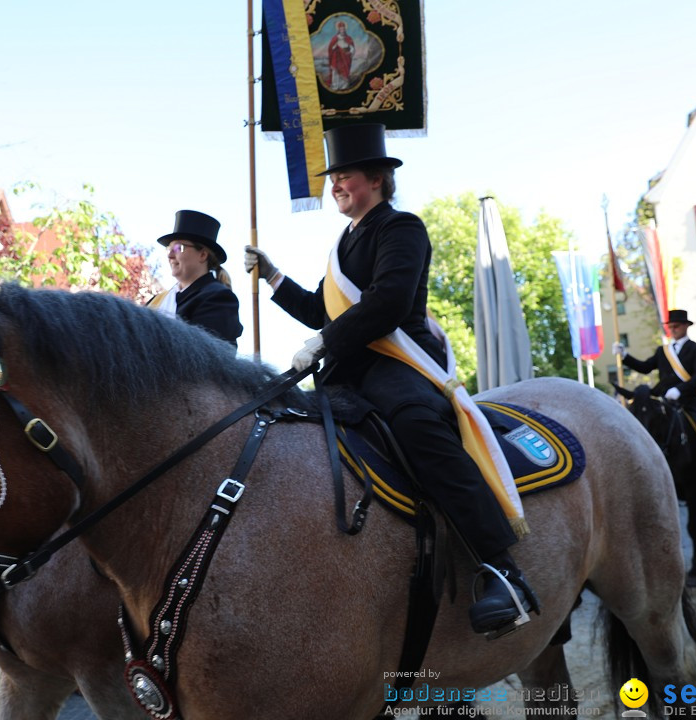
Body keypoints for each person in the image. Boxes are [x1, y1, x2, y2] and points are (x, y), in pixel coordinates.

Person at [244, 123, 536, 636]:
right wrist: (273, 276)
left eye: (344, 176)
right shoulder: (343, 244)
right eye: (332, 177)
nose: (334, 185)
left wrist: (325, 343)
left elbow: (388, 304)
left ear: (376, 179)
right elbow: (321, 310)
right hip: (344, 373)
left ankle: (502, 570)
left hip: (397, 364)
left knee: (416, 426)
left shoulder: (402, 228)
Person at [614, 309, 696, 484]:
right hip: (666, 401)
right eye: (670, 326)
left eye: (676, 326)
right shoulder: (663, 351)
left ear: (686, 326)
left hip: (692, 398)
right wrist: (624, 355)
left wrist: (680, 389)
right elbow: (645, 367)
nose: (673, 329)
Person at [147, 210, 242, 347]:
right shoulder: (158, 300)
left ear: (203, 255)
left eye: (178, 248)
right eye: (169, 249)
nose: (170, 256)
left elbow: (208, 359)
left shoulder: (218, 298)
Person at [327, 20, 356, 91]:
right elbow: (331, 48)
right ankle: (335, 85)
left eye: (343, 29)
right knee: (336, 71)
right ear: (339, 30)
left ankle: (344, 86)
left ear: (345, 29)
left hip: (346, 57)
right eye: (341, 29)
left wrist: (350, 52)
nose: (342, 30)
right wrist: (336, 46)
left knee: (344, 72)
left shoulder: (348, 38)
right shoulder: (335, 38)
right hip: (337, 57)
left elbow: (352, 48)